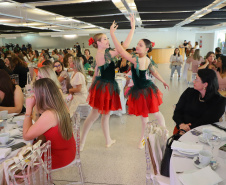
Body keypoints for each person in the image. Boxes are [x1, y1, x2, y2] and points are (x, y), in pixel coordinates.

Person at [110, 19, 169, 149]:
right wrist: (163, 81)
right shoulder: (144, 59)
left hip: (145, 90)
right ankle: (144, 138)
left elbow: (121, 50)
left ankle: (163, 131)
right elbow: (154, 72)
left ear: (147, 49)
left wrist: (113, 34)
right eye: (137, 44)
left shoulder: (139, 59)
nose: (137, 46)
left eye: (140, 45)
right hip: (139, 89)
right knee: (145, 117)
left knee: (154, 113)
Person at [80, 15, 136, 151]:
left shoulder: (102, 53)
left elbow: (97, 70)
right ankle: (81, 142)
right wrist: (132, 28)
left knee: (104, 115)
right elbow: (124, 47)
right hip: (106, 87)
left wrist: (92, 83)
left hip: (103, 85)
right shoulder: (106, 54)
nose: (107, 40)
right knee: (95, 116)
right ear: (98, 42)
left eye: (107, 38)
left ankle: (107, 140)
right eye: (105, 39)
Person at [23, 78, 76, 169]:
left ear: (42, 95)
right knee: (25, 152)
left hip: (58, 157)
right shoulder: (59, 106)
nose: (33, 96)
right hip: (67, 151)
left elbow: (26, 136)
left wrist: (28, 109)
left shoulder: (49, 115)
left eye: (35, 93)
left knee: (18, 162)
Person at [173, 69, 225, 134]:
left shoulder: (219, 101)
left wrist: (187, 128)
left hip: (205, 134)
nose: (193, 81)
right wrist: (181, 124)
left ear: (205, 84)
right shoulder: (189, 92)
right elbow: (177, 111)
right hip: (182, 129)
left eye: (196, 79)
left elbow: (206, 121)